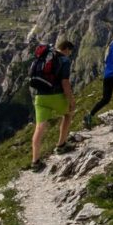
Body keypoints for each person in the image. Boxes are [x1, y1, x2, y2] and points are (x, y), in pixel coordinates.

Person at [27, 37, 76, 165]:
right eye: (70, 51)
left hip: (40, 97)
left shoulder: (44, 57)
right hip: (56, 95)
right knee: (68, 114)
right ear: (66, 49)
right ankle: (61, 145)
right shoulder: (64, 60)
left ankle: (35, 162)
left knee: (39, 127)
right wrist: (71, 99)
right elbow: (65, 82)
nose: (69, 54)